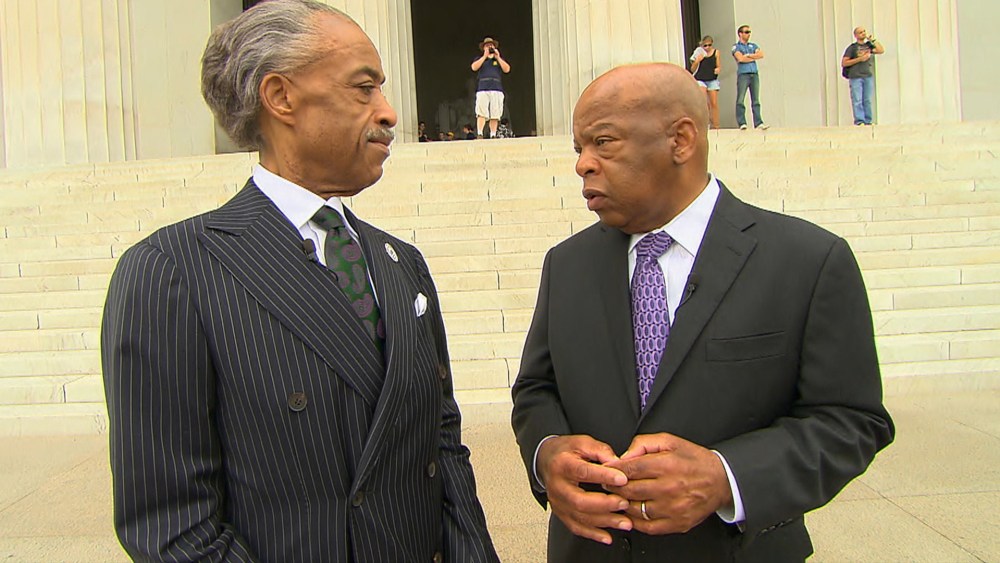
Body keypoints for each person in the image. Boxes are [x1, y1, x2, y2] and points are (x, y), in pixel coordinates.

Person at [101, 1, 500, 561]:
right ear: (280, 96)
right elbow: (174, 526)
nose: (389, 112)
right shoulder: (173, 271)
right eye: (364, 88)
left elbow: (443, 447)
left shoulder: (401, 263)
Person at [510, 62, 893, 562]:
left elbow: (851, 421)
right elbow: (536, 388)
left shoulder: (808, 261)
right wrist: (547, 455)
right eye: (578, 148)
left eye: (603, 142)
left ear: (681, 140)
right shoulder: (567, 265)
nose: (583, 164)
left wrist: (725, 477)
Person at [842, 26, 885, 126]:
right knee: (857, 99)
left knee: (867, 99)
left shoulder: (868, 46)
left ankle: (868, 120)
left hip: (867, 75)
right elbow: (844, 62)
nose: (863, 33)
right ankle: (859, 120)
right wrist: (860, 59)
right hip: (856, 76)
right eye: (860, 32)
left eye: (864, 31)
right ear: (856, 35)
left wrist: (872, 40)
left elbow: (880, 50)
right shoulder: (852, 48)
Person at [470, 36, 510, 138]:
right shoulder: (479, 59)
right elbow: (474, 67)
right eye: (487, 46)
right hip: (483, 89)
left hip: (496, 88)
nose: (489, 47)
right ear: (483, 48)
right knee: (481, 112)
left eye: (491, 45)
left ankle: (493, 134)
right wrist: (484, 56)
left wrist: (498, 57)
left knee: (495, 113)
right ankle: (480, 133)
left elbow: (507, 69)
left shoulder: (499, 60)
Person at [731, 25, 768, 130]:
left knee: (756, 100)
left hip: (754, 74)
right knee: (740, 99)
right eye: (746, 32)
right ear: (740, 34)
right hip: (743, 74)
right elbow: (740, 58)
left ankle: (758, 122)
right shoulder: (736, 47)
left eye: (749, 32)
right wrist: (752, 57)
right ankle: (742, 122)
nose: (748, 34)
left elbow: (761, 54)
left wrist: (748, 56)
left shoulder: (753, 45)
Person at [689, 35, 721, 129]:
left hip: (712, 78)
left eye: (709, 45)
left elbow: (718, 65)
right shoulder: (698, 53)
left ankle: (716, 125)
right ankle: (705, 124)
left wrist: (718, 69)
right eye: (705, 46)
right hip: (700, 78)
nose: (707, 47)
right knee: (704, 102)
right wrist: (697, 61)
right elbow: (692, 69)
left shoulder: (716, 52)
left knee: (714, 103)